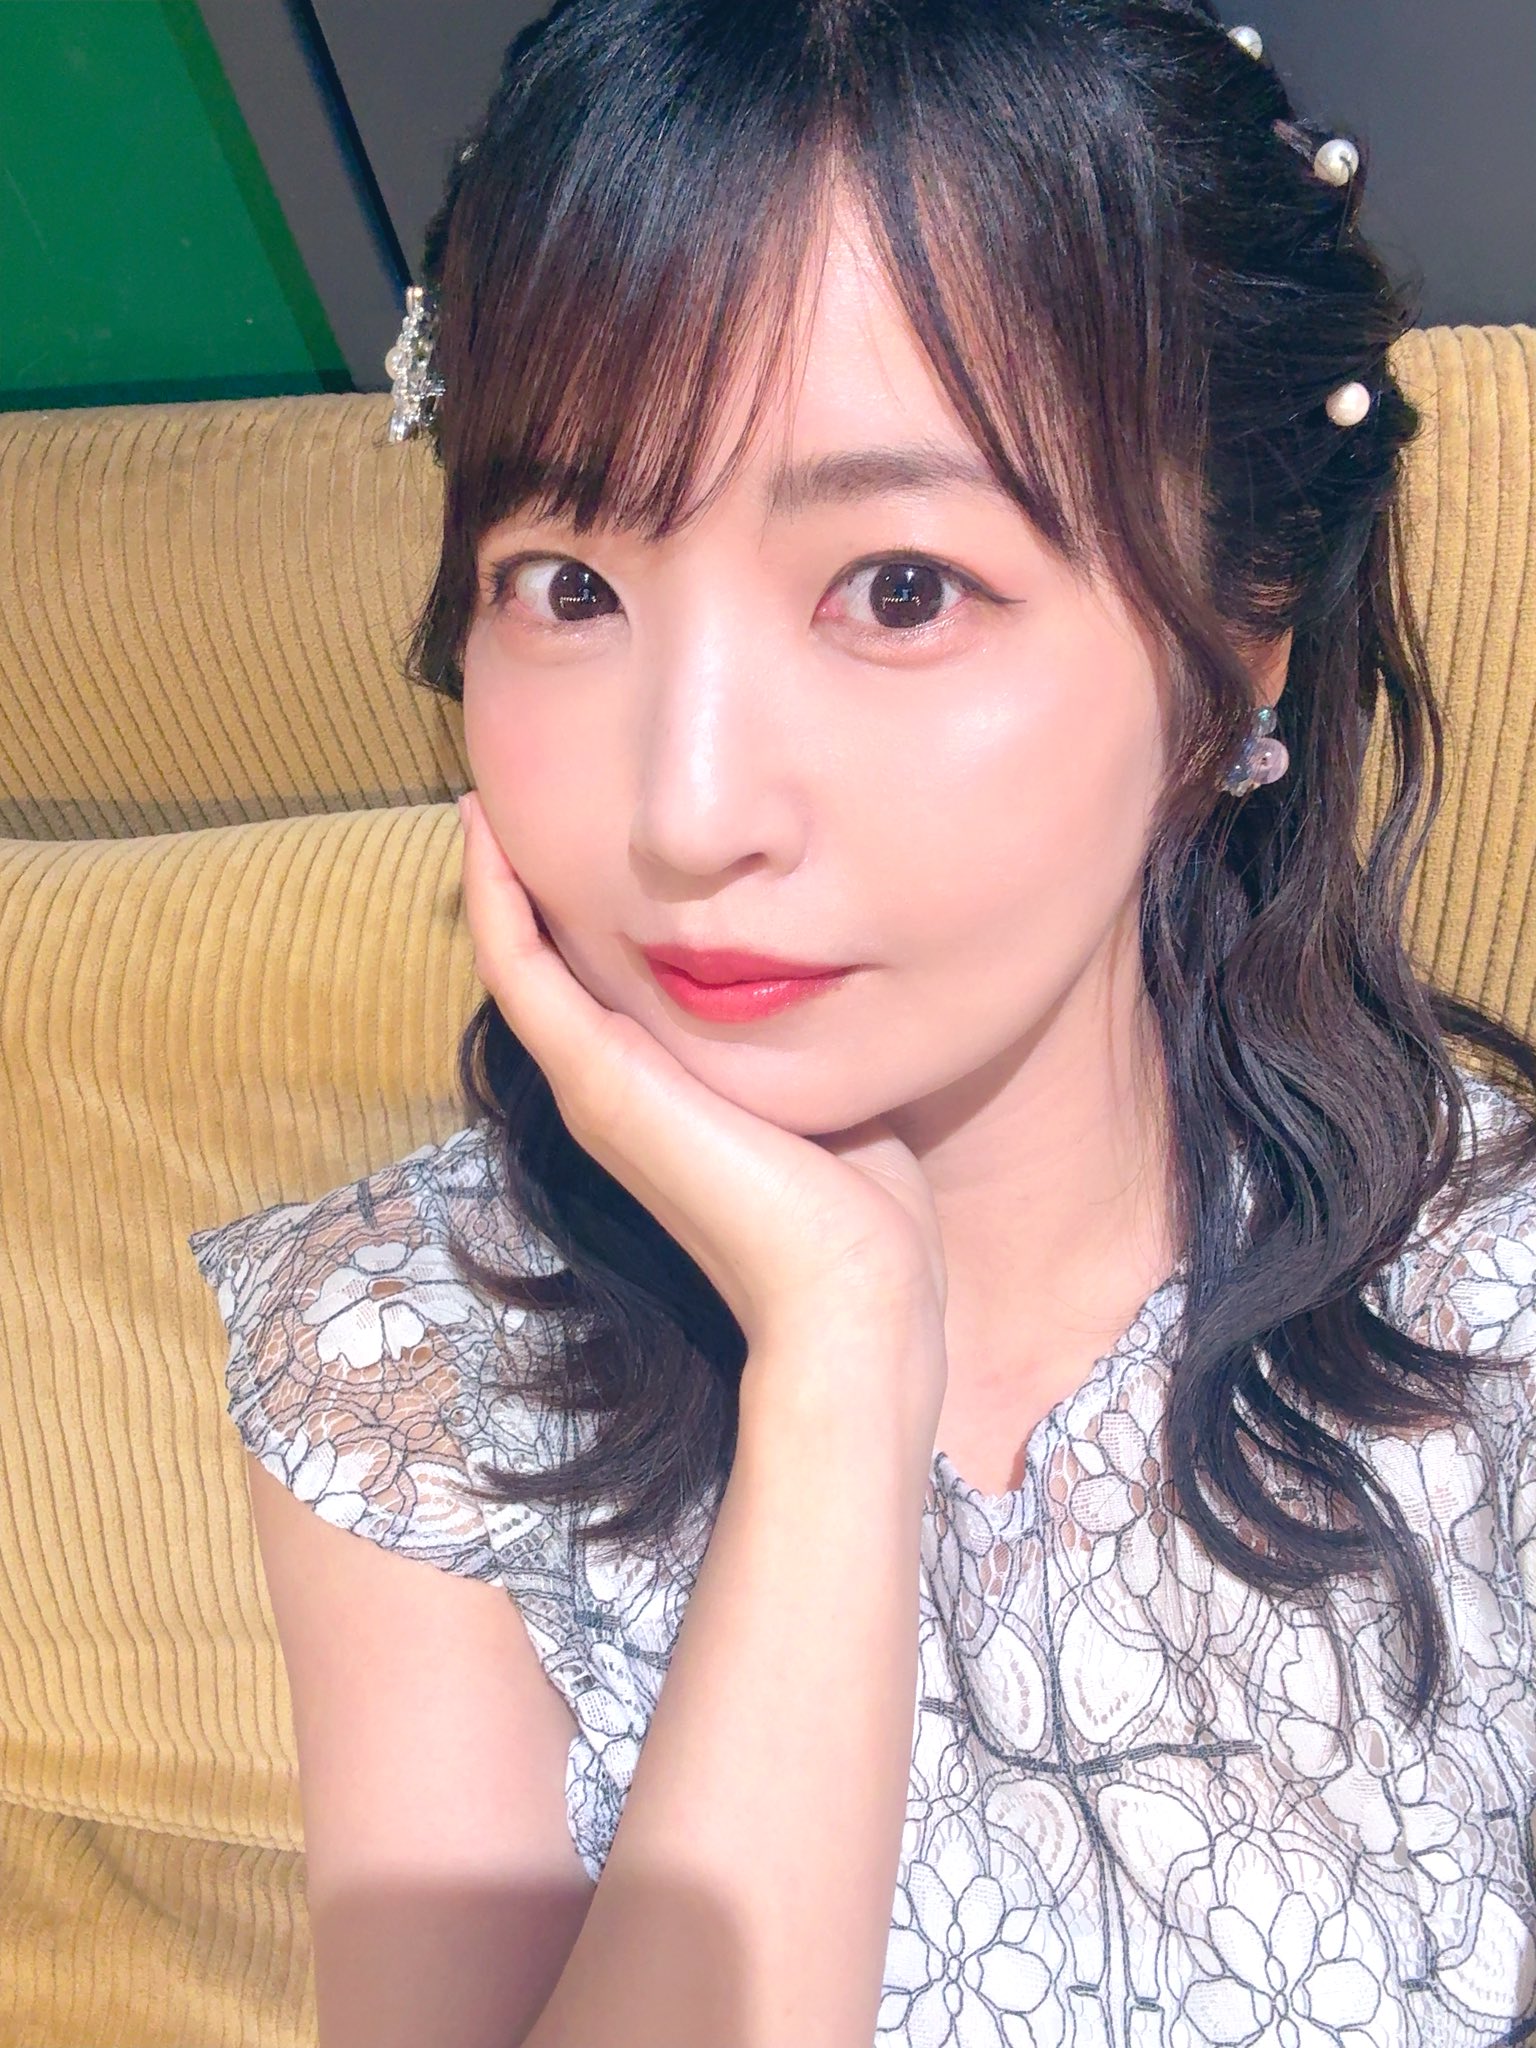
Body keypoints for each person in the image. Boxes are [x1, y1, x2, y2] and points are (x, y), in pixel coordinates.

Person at [187, 1, 1536, 2042]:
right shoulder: (409, 1368)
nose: (687, 810)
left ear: (1238, 642)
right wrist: (836, 1366)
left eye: (900, 588)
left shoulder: (1491, 1299)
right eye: (568, 586)